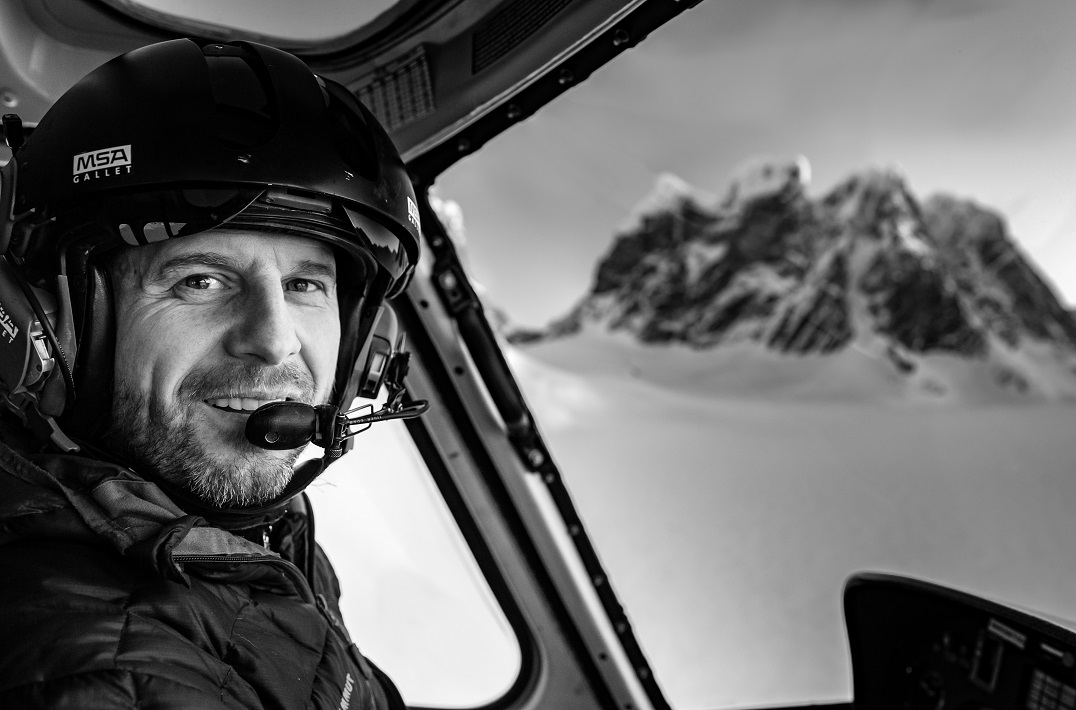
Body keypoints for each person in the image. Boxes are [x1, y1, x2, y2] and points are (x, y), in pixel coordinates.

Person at [0, 38, 422, 709]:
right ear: (49, 326)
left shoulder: (254, 527)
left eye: (307, 285)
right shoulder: (98, 670)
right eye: (201, 280)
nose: (274, 342)